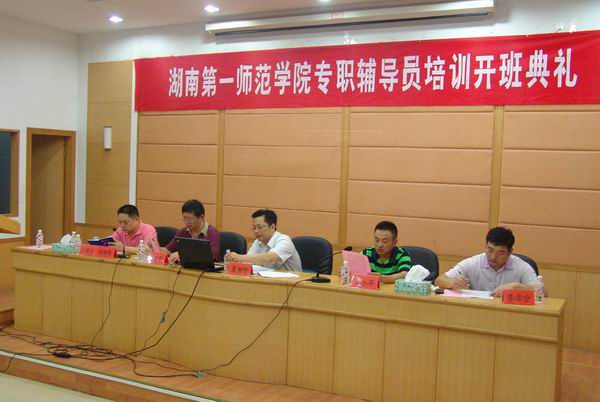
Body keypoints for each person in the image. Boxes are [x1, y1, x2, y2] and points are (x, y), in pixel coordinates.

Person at [435, 226, 540, 297]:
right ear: (485, 246)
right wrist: (452, 283)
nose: (493, 257)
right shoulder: (473, 263)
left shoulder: (521, 267)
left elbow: (543, 292)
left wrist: (517, 287)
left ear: (510, 252)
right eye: (490, 250)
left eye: (500, 253)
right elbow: (439, 280)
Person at [224, 209, 301, 272]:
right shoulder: (258, 242)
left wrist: (240, 257)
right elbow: (248, 261)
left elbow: (269, 258)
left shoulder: (284, 240)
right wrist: (234, 259)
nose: (256, 231)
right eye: (254, 228)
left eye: (260, 227)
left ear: (272, 227)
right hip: (268, 281)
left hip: (292, 283)